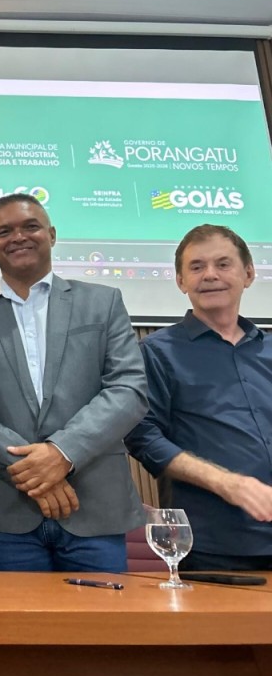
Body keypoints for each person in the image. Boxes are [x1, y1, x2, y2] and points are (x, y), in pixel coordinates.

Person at [0, 193, 147, 572]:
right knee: (15, 614)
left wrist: (62, 453)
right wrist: (34, 471)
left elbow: (129, 389)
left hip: (95, 505)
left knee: (104, 612)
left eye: (30, 226)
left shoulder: (102, 302)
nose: (18, 237)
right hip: (7, 509)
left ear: (52, 234)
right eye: (5, 232)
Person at [126, 225, 272, 570]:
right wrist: (227, 483)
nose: (210, 275)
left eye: (223, 264)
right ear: (181, 281)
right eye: (196, 267)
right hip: (212, 545)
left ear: (249, 274)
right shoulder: (156, 352)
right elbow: (143, 437)